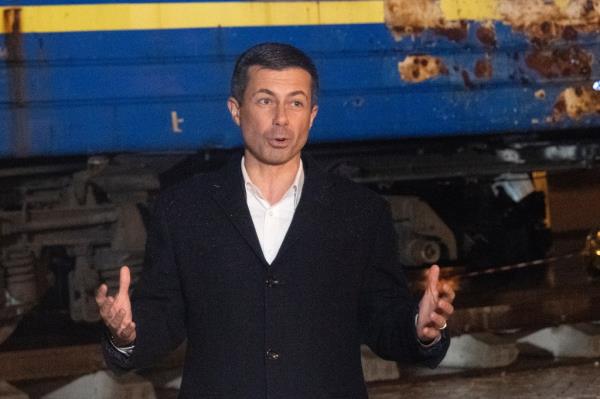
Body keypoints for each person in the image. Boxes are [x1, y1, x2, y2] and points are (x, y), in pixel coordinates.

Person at [96, 42, 455, 398]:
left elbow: (381, 318)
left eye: (295, 103)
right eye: (265, 100)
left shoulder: (360, 211)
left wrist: (419, 328)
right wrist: (127, 336)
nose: (281, 118)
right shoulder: (184, 208)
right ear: (236, 110)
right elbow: (163, 315)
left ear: (312, 115)